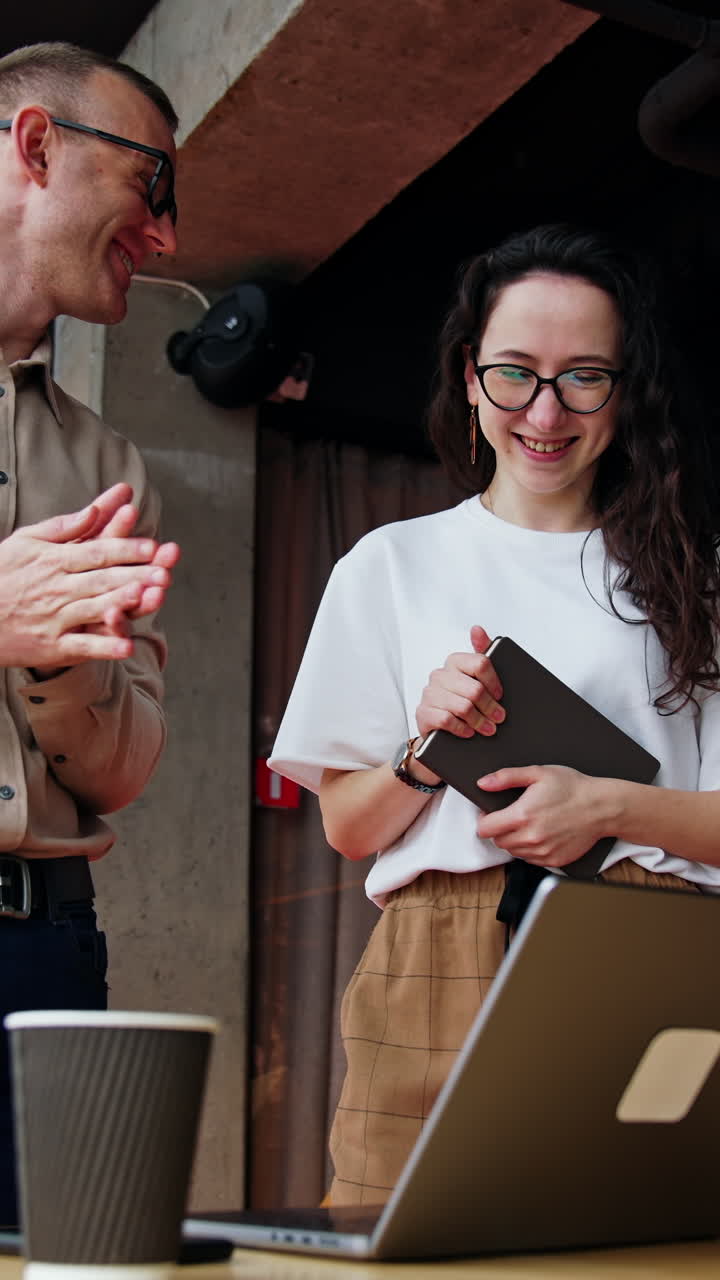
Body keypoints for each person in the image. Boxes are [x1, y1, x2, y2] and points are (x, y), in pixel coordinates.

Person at [269, 222, 720, 1206]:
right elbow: (348, 824)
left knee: (641, 1248)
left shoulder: (695, 582)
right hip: (439, 941)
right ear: (470, 378)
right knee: (399, 1236)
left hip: (646, 937)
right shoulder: (391, 563)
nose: (545, 410)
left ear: (625, 387)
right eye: (516, 372)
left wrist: (605, 806)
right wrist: (426, 756)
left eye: (584, 376)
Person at [0, 42, 182, 1223]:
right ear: (33, 147)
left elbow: (126, 767)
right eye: (153, 186)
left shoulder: (113, 464)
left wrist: (54, 657)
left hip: (46, 954)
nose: (166, 238)